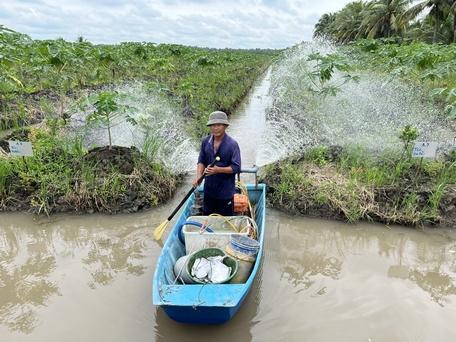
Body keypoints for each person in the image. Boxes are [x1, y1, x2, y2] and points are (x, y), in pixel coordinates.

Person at [192, 111, 241, 216]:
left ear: (225, 126)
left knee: (226, 221)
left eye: (218, 125)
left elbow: (236, 167)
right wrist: (199, 177)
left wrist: (218, 170)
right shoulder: (206, 142)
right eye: (213, 125)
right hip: (209, 191)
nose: (215, 128)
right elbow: (201, 161)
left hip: (226, 192)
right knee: (207, 219)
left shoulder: (232, 145)